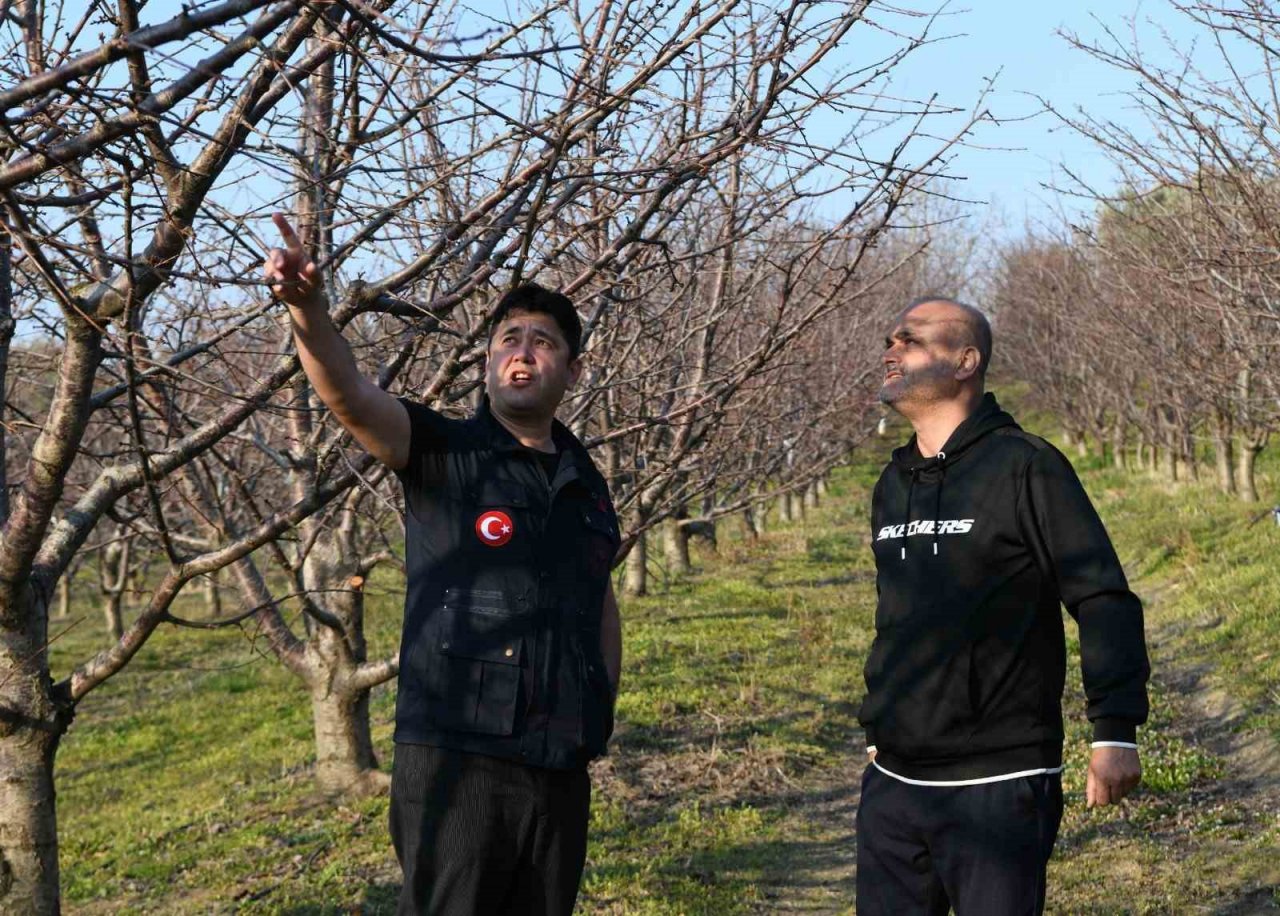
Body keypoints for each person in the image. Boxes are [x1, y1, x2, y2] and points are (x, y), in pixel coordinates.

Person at [264, 214, 622, 915]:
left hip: (559, 761)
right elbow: (348, 394)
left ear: (572, 370)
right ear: (489, 361)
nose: (522, 353)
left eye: (543, 342)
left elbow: (600, 601)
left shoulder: (588, 485)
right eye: (508, 339)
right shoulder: (444, 453)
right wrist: (307, 309)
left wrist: (599, 705)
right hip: (460, 760)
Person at [855, 296, 1150, 915]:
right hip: (894, 783)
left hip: (996, 779)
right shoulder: (892, 484)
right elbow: (898, 617)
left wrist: (1115, 729)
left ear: (966, 360)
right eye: (890, 339)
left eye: (910, 340)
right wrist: (882, 720)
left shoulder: (1026, 467)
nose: (891, 351)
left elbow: (1101, 596)